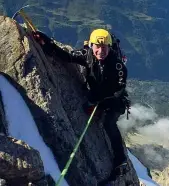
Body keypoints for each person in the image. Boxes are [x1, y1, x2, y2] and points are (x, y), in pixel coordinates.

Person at [33, 28, 131, 176]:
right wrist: (46, 43)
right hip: (96, 95)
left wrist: (98, 101)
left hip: (113, 100)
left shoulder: (117, 66)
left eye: (104, 47)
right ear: (91, 45)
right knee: (88, 110)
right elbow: (66, 56)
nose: (100, 51)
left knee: (109, 124)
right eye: (97, 47)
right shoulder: (87, 55)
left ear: (110, 48)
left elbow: (118, 89)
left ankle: (120, 159)